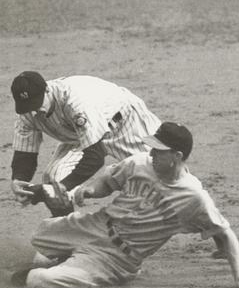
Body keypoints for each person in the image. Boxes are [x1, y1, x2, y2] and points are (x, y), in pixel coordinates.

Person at [0, 122, 239, 288]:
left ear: (177, 157)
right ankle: (61, 260)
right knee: (40, 240)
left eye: (159, 151)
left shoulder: (193, 198)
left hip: (117, 260)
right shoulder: (139, 163)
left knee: (41, 281)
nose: (152, 154)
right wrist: (90, 190)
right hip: (96, 226)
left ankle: (4, 281)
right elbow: (108, 181)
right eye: (152, 148)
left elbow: (225, 233)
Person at [9, 71, 161, 214]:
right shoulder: (27, 112)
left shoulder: (76, 102)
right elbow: (25, 152)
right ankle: (66, 231)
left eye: (37, 103)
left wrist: (65, 186)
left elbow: (95, 157)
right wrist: (19, 179)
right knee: (55, 178)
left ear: (47, 90)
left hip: (125, 122)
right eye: (29, 106)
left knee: (157, 172)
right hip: (78, 133)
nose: (34, 111)